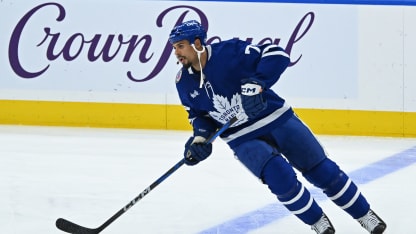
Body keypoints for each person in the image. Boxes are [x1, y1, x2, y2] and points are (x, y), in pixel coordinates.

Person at [168, 20, 387, 234]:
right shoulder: (182, 82)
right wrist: (200, 138)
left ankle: (364, 215)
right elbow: (198, 116)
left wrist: (258, 82)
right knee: (280, 180)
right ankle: (318, 222)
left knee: (323, 171)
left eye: (180, 46)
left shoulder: (230, 51)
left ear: (197, 43)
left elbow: (277, 54)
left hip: (276, 118)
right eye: (174, 48)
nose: (177, 53)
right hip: (241, 137)